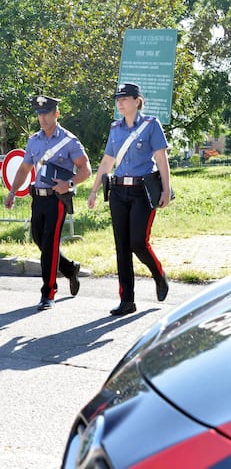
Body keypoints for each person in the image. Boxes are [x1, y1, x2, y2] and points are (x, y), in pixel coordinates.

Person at [88, 82, 172, 316]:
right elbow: (107, 161)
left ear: (137, 101)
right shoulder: (115, 128)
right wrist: (94, 190)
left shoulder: (151, 125)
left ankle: (158, 274)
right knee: (122, 246)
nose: (120, 102)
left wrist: (166, 190)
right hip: (118, 192)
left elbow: (161, 159)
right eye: (118, 99)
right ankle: (127, 300)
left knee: (138, 242)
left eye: (125, 98)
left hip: (142, 192)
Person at [4, 95, 92, 311]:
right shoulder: (34, 140)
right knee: (39, 240)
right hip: (38, 199)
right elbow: (25, 169)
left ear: (56, 114)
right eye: (39, 114)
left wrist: (69, 183)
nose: (42, 118)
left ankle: (48, 292)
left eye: (46, 113)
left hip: (57, 199)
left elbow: (86, 169)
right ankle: (70, 269)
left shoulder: (69, 141)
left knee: (50, 244)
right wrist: (13, 192)